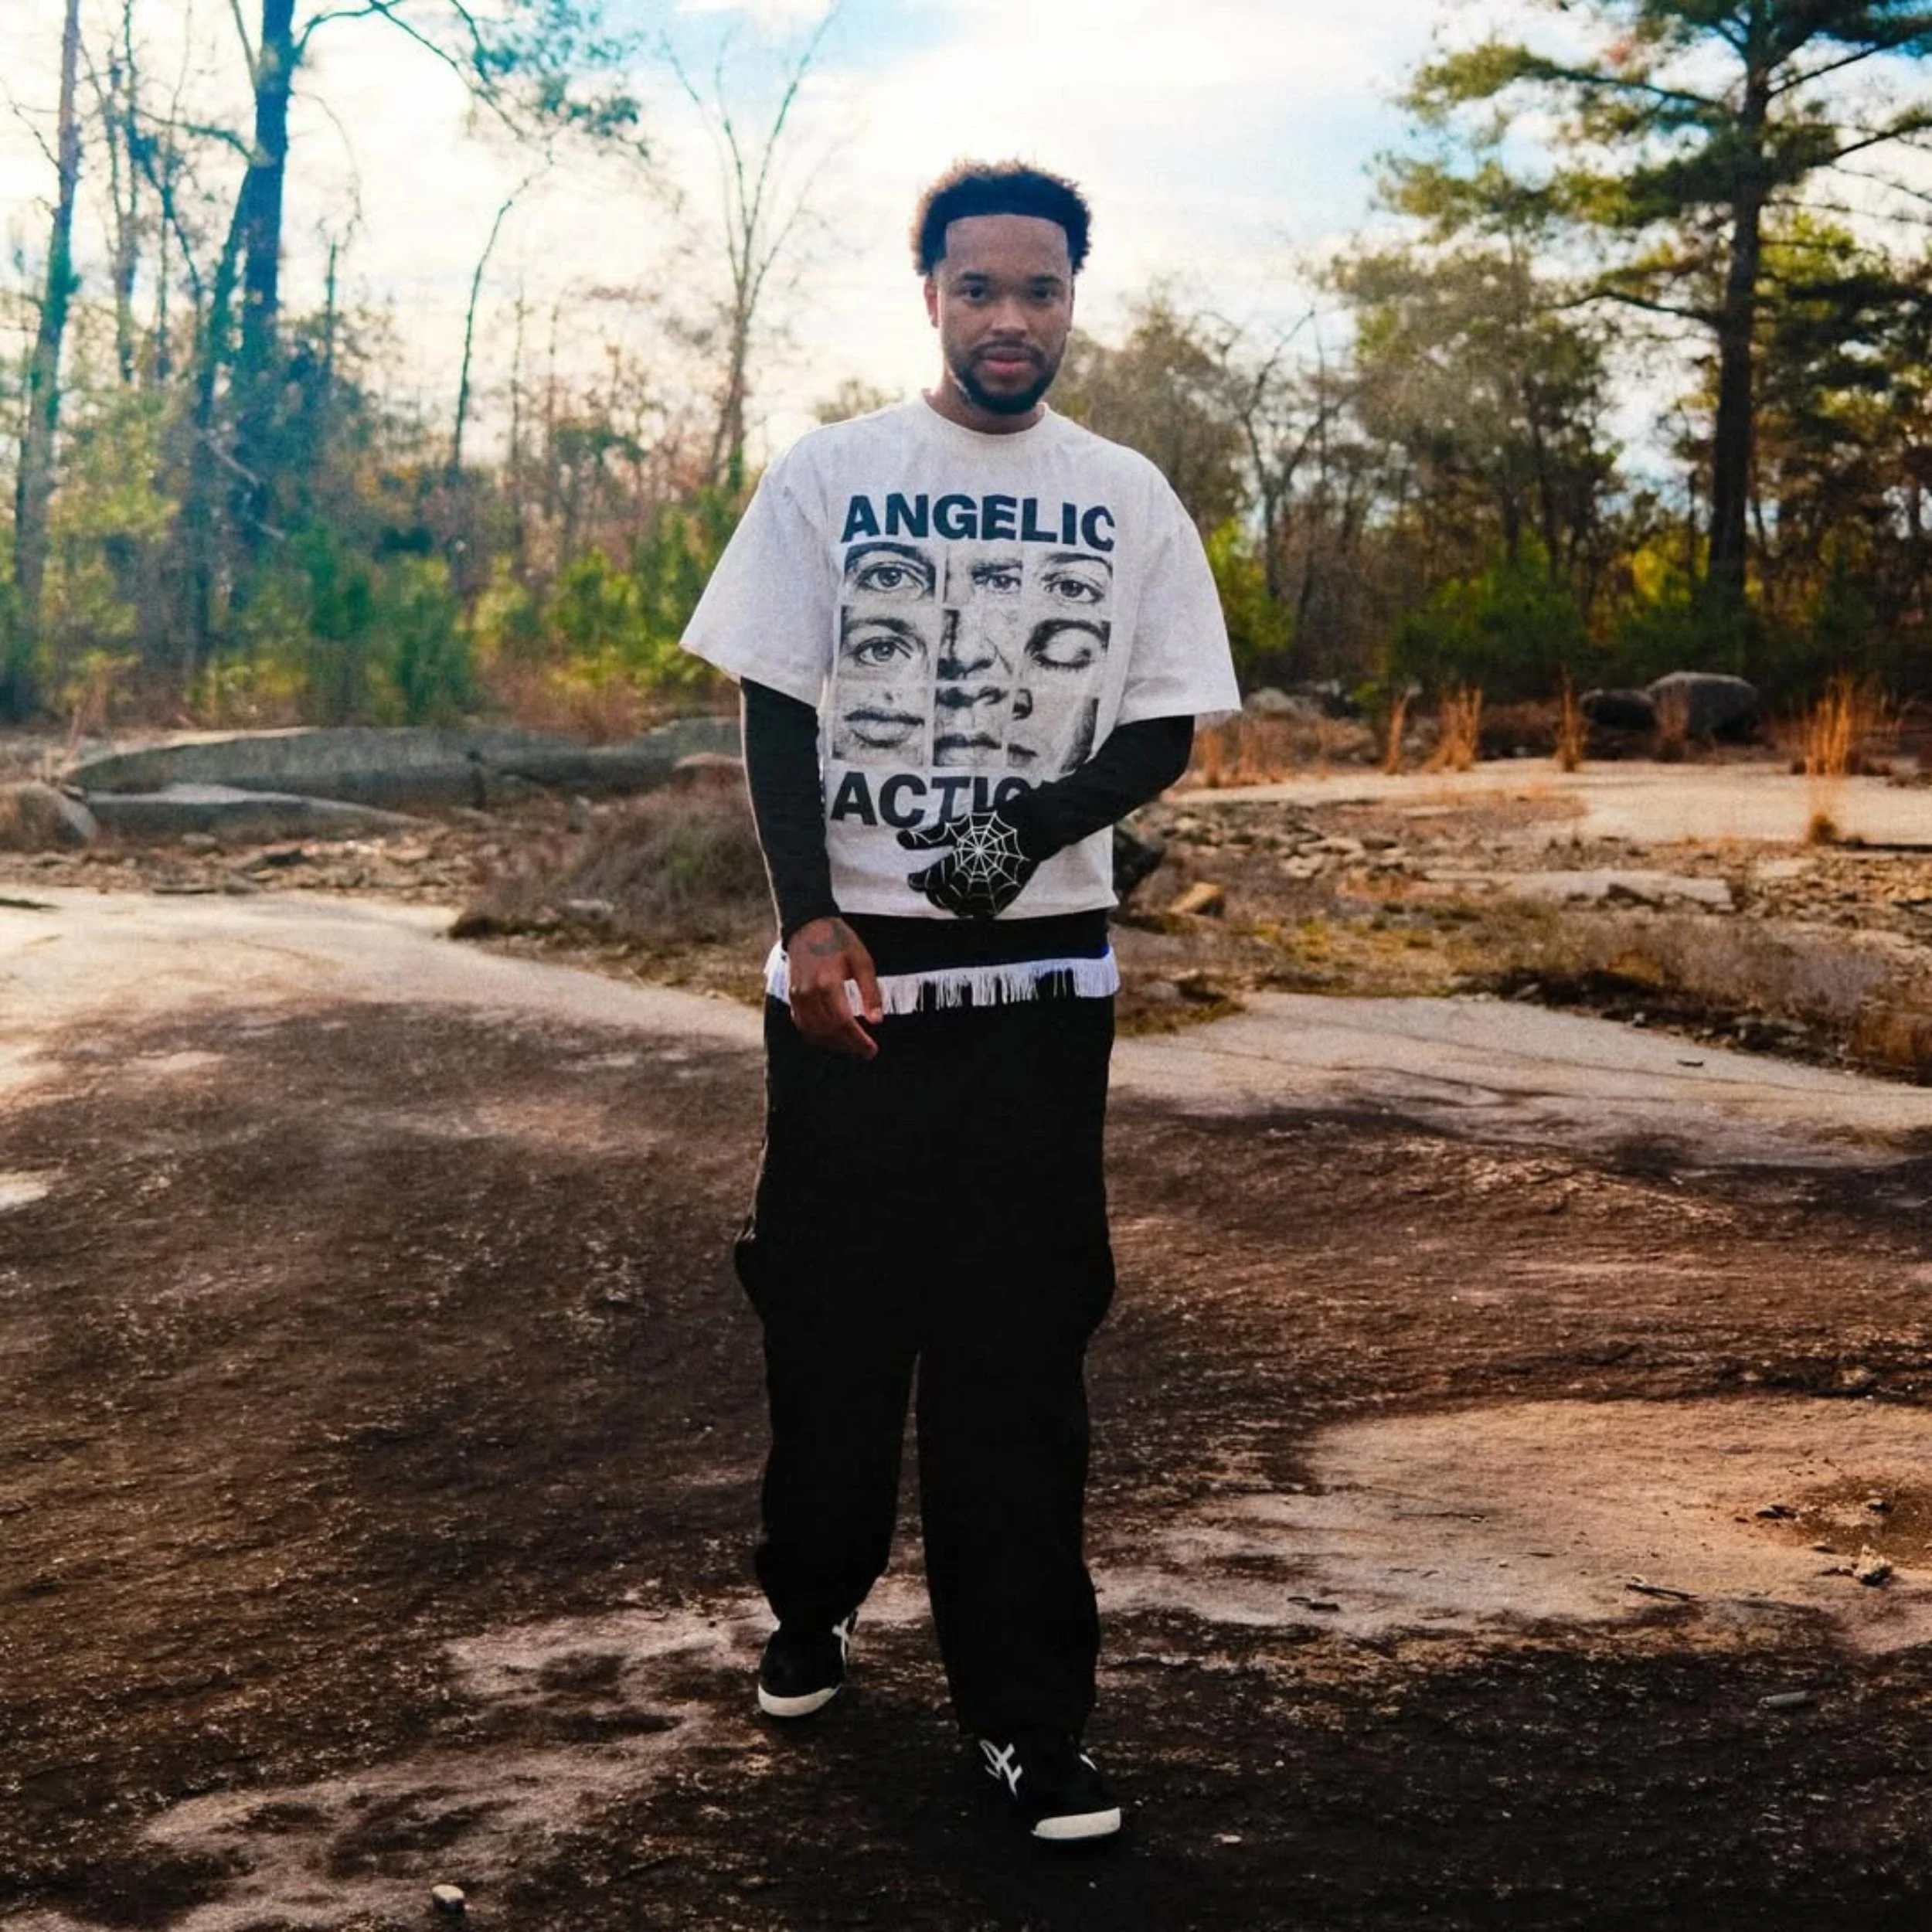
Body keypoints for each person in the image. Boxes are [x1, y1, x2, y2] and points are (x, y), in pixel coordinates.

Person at [680, 159, 1238, 1843]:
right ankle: (811, 1597)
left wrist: (1030, 826)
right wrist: (811, 922)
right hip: (860, 974)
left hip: (1040, 987)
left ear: (1075, 296)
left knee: (1015, 1348)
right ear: (928, 293)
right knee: (837, 1322)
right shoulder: (833, 473)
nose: (1012, 318)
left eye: (1041, 289)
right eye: (979, 287)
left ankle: (1025, 1715)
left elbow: (1159, 728)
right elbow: (778, 710)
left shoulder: (1125, 492)